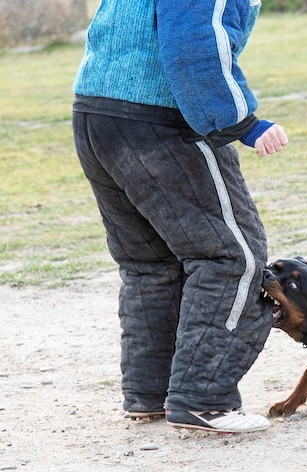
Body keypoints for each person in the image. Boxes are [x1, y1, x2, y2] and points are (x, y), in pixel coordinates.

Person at [72, 0, 288, 433]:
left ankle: (151, 394)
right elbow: (193, 44)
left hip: (97, 115)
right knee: (232, 258)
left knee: (150, 264)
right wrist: (240, 122)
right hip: (160, 122)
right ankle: (203, 400)